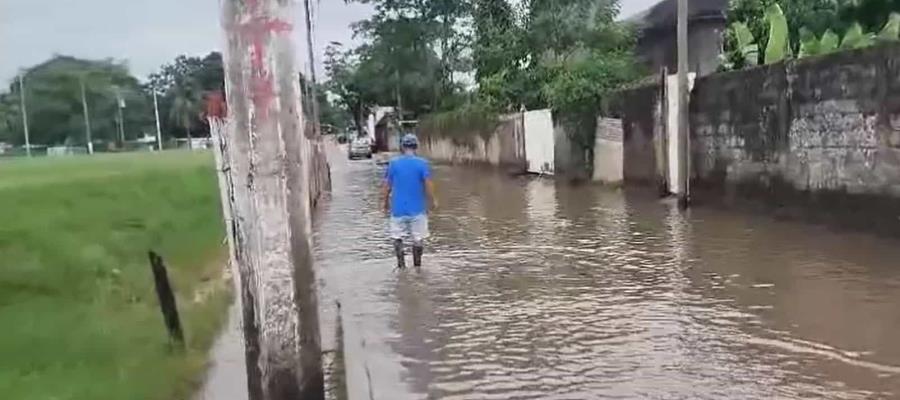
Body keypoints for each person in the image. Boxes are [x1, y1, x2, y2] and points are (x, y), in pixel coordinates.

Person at [382, 133, 438, 268]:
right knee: (418, 238)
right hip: (417, 208)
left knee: (397, 237)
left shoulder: (393, 163)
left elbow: (387, 186)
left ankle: (401, 266)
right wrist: (433, 200)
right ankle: (417, 267)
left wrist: (384, 202)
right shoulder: (422, 164)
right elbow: (428, 184)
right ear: (416, 146)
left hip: (398, 209)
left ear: (402, 146)